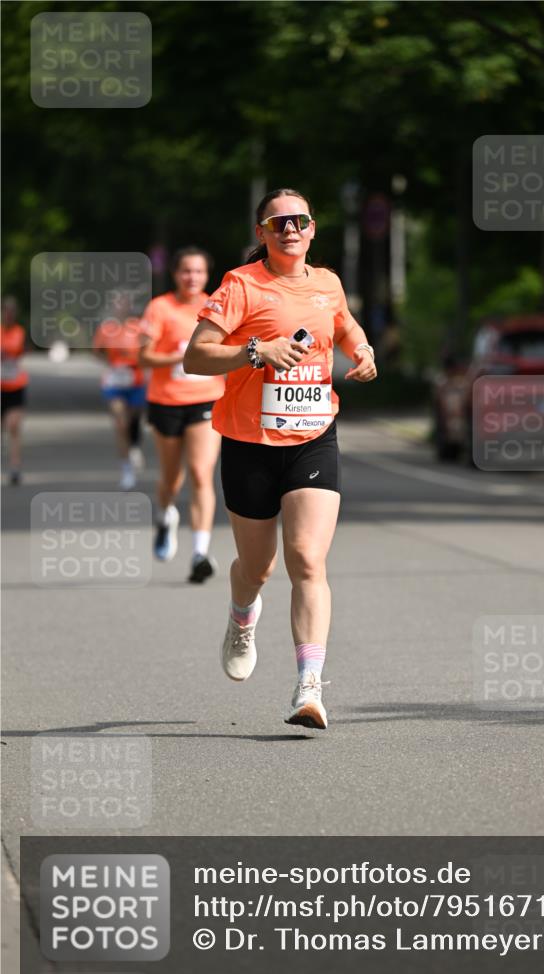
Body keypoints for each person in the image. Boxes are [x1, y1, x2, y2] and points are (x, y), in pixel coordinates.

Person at [184, 188, 377, 729]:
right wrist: (255, 351)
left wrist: (362, 351)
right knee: (258, 568)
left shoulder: (328, 283)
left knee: (307, 558)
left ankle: (309, 688)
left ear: (312, 229)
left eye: (300, 220)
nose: (290, 228)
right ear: (262, 233)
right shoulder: (242, 285)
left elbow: (345, 326)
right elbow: (195, 356)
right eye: (278, 222)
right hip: (249, 442)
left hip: (314, 435)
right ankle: (242, 616)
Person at [139, 247, 225, 583]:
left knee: (201, 473)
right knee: (171, 479)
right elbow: (143, 358)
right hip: (166, 401)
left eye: (199, 272)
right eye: (186, 271)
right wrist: (185, 358)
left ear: (207, 276)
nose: (192, 277)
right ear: (175, 274)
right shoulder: (160, 308)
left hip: (207, 399)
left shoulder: (216, 306)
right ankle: (165, 516)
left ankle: (200, 552)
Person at [92, 291, 146, 490]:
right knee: (120, 423)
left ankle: (134, 445)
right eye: (118, 303)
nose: (121, 306)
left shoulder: (137, 327)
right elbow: (97, 351)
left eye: (125, 302)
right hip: (114, 382)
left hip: (135, 380)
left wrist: (139, 364)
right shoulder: (106, 329)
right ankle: (126, 470)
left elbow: (147, 350)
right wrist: (111, 364)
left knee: (133, 420)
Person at [1, 296, 29, 485]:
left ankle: (15, 467)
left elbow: (25, 351)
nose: (9, 315)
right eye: (6, 311)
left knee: (13, 426)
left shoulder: (20, 332)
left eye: (13, 311)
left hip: (16, 384)